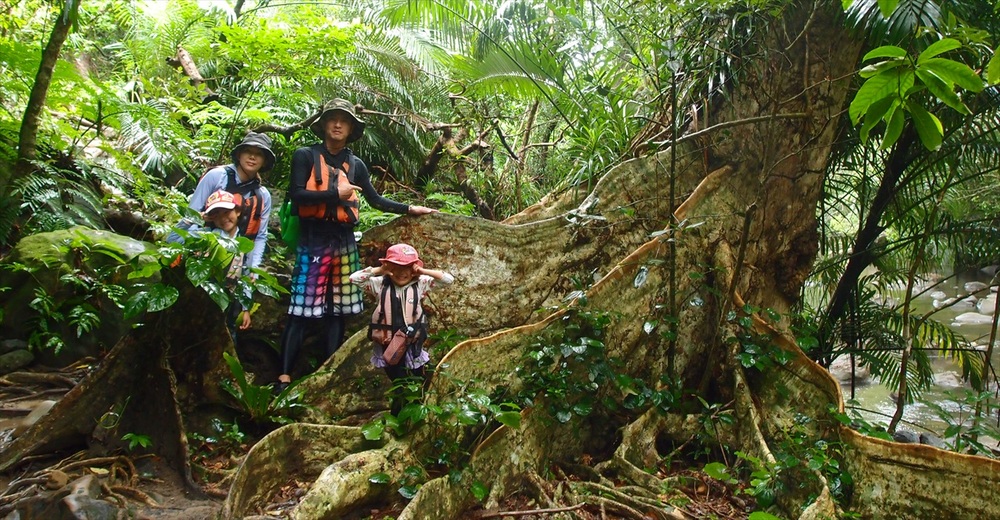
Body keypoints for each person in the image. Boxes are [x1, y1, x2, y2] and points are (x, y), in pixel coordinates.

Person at [276, 99, 437, 390]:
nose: (338, 124)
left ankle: (329, 374)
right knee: (300, 308)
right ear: (324, 124)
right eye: (333, 119)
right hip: (313, 239)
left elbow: (375, 200)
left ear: (351, 128)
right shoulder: (305, 155)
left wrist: (409, 208)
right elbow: (297, 195)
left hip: (343, 240)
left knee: (338, 309)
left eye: (344, 121)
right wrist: (334, 194)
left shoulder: (356, 165)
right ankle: (284, 376)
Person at [350, 243, 453, 414]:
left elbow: (448, 280)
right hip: (388, 343)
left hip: (412, 343)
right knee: (399, 382)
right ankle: (399, 416)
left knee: (422, 377)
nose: (401, 272)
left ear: (414, 268)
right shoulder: (379, 284)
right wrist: (379, 270)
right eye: (396, 267)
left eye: (407, 267)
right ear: (389, 267)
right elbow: (354, 279)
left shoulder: (421, 284)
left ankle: (416, 412)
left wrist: (422, 271)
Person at [167, 189, 253, 336]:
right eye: (216, 214)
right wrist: (196, 218)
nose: (223, 218)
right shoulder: (206, 235)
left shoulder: (245, 243)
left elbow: (246, 276)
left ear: (238, 211)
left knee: (228, 333)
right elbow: (172, 240)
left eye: (226, 212)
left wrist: (246, 309)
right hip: (202, 298)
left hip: (229, 302)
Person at [188, 132, 275, 273]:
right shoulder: (217, 176)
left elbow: (260, 236)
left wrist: (253, 270)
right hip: (202, 254)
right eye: (248, 151)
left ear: (264, 161)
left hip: (238, 264)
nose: (252, 157)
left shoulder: (263, 195)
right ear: (239, 155)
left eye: (259, 154)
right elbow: (191, 215)